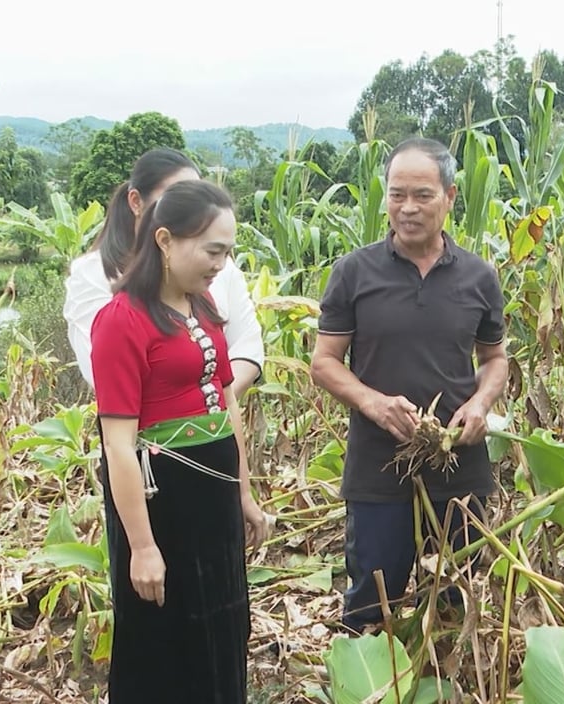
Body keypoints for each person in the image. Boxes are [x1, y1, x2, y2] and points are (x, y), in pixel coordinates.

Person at [310, 137, 509, 634]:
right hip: (379, 467)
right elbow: (325, 362)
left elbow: (494, 359)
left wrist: (482, 402)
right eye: (397, 195)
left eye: (422, 195)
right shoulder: (354, 272)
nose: (407, 208)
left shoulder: (479, 277)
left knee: (453, 598)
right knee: (370, 599)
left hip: (459, 468)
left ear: (450, 196)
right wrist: (372, 403)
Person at [90, 179, 269, 702]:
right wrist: (143, 547)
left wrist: (244, 494)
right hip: (164, 504)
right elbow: (118, 445)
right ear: (165, 241)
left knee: (221, 625)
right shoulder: (121, 321)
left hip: (213, 501)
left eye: (228, 252)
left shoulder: (203, 306)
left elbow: (225, 403)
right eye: (213, 250)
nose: (221, 263)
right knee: (166, 640)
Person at [64, 147, 264, 399]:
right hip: (140, 431)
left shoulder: (220, 268)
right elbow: (104, 372)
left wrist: (212, 409)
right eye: (174, 197)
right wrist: (189, 409)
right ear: (136, 202)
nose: (191, 209)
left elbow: (248, 346)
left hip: (218, 425)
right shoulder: (94, 273)